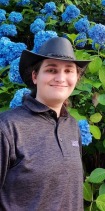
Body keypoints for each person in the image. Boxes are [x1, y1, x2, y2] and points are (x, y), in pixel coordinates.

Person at [0, 37, 90, 211]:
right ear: (35, 76)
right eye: (51, 69)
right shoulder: (8, 128)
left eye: (68, 71)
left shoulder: (72, 126)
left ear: (76, 78)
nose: (60, 78)